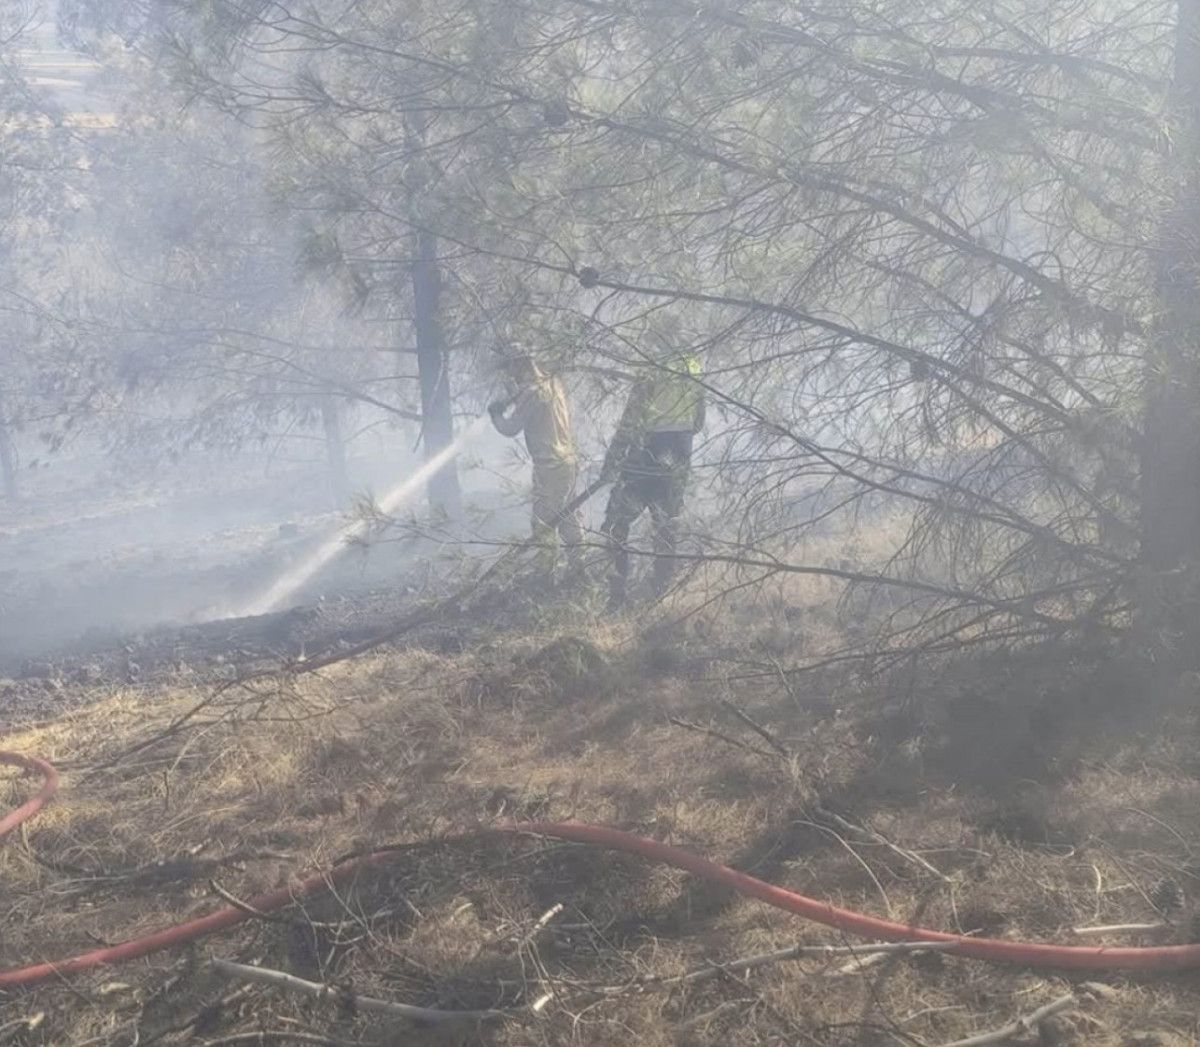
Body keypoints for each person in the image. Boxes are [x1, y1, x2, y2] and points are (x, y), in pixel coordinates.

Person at [600, 337, 705, 607]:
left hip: (645, 457)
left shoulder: (651, 366)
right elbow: (698, 422)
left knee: (614, 524)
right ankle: (662, 595)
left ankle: (616, 597)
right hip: (679, 457)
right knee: (666, 527)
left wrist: (611, 460)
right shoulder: (693, 366)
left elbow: (631, 420)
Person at [488, 354, 584, 578]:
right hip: (568, 460)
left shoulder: (531, 393)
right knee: (569, 516)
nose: (509, 374)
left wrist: (496, 415)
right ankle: (579, 568)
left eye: (510, 367)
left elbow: (510, 428)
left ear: (519, 365)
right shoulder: (553, 384)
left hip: (548, 466)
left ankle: (545, 574)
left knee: (543, 522)